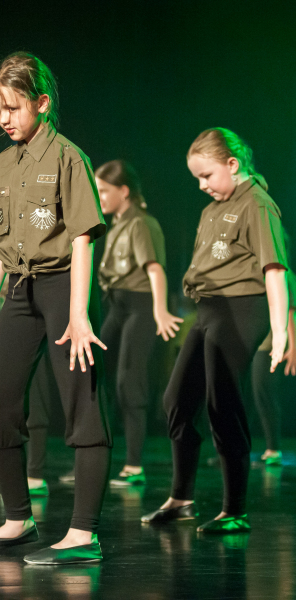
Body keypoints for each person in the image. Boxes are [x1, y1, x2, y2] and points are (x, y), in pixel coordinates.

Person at [0, 52, 112, 565]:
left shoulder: (69, 157)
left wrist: (79, 313)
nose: (3, 119)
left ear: (41, 103)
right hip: (18, 291)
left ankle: (83, 535)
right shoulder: (2, 164)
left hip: (64, 286)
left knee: (82, 404)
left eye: (13, 107)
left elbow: (83, 238)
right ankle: (17, 520)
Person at [142, 128, 288, 533]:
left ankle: (234, 510)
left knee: (222, 402)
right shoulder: (211, 210)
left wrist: (280, 332)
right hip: (208, 309)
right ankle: (181, 499)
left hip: (242, 307)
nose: (202, 185)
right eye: (197, 178)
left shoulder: (257, 204)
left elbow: (275, 269)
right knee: (176, 400)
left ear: (232, 164)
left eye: (207, 175)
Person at [95, 160, 182, 487]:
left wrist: (160, 310)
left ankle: (134, 466)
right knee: (90, 369)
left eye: (104, 191)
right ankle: (92, 460)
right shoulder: (117, 223)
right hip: (117, 306)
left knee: (129, 382)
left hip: (140, 307)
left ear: (124, 191)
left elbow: (155, 269)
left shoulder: (143, 223)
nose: (100, 197)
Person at [251, 270, 296, 466]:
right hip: (253, 343)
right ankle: (232, 449)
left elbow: (289, 310)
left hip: (269, 344)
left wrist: (293, 345)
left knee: (265, 394)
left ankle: (273, 449)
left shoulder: (283, 273)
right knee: (249, 394)